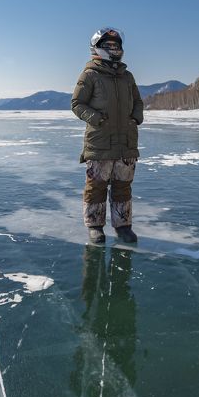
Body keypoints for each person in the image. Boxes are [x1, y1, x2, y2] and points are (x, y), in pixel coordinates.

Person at [71, 27, 143, 244]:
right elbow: (77, 104)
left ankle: (123, 226)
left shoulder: (127, 76)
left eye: (116, 46)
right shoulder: (90, 74)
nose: (114, 49)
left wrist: (135, 118)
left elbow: (137, 101)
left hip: (126, 141)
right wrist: (98, 119)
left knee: (123, 186)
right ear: (97, 48)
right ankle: (95, 226)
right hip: (100, 141)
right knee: (96, 186)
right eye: (109, 46)